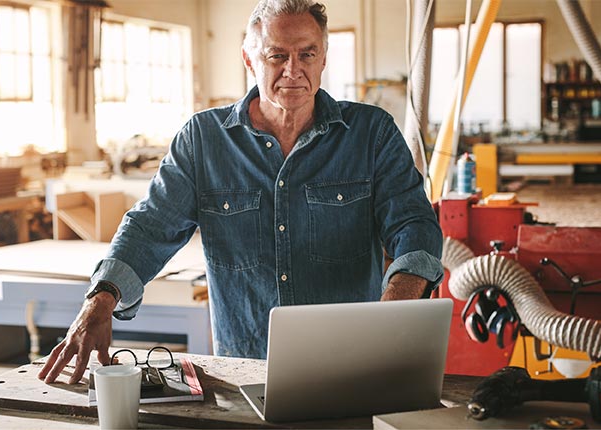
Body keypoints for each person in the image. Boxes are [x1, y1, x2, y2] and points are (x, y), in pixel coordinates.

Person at [39, 0, 443, 385]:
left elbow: (414, 225)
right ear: (249, 59)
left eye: (307, 54)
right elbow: (150, 227)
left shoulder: (371, 133)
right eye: (276, 56)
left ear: (323, 58)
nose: (293, 70)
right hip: (245, 371)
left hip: (354, 364)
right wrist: (101, 298)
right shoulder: (203, 141)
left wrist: (395, 310)